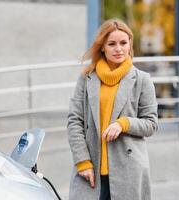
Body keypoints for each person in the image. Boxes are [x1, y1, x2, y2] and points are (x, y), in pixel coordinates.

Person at [67, 18, 158, 200]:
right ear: (102, 47)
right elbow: (74, 120)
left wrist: (123, 123)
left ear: (129, 44)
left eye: (123, 43)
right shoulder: (87, 78)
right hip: (91, 170)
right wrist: (82, 162)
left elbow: (151, 124)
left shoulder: (142, 79)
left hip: (129, 170)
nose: (118, 49)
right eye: (112, 44)